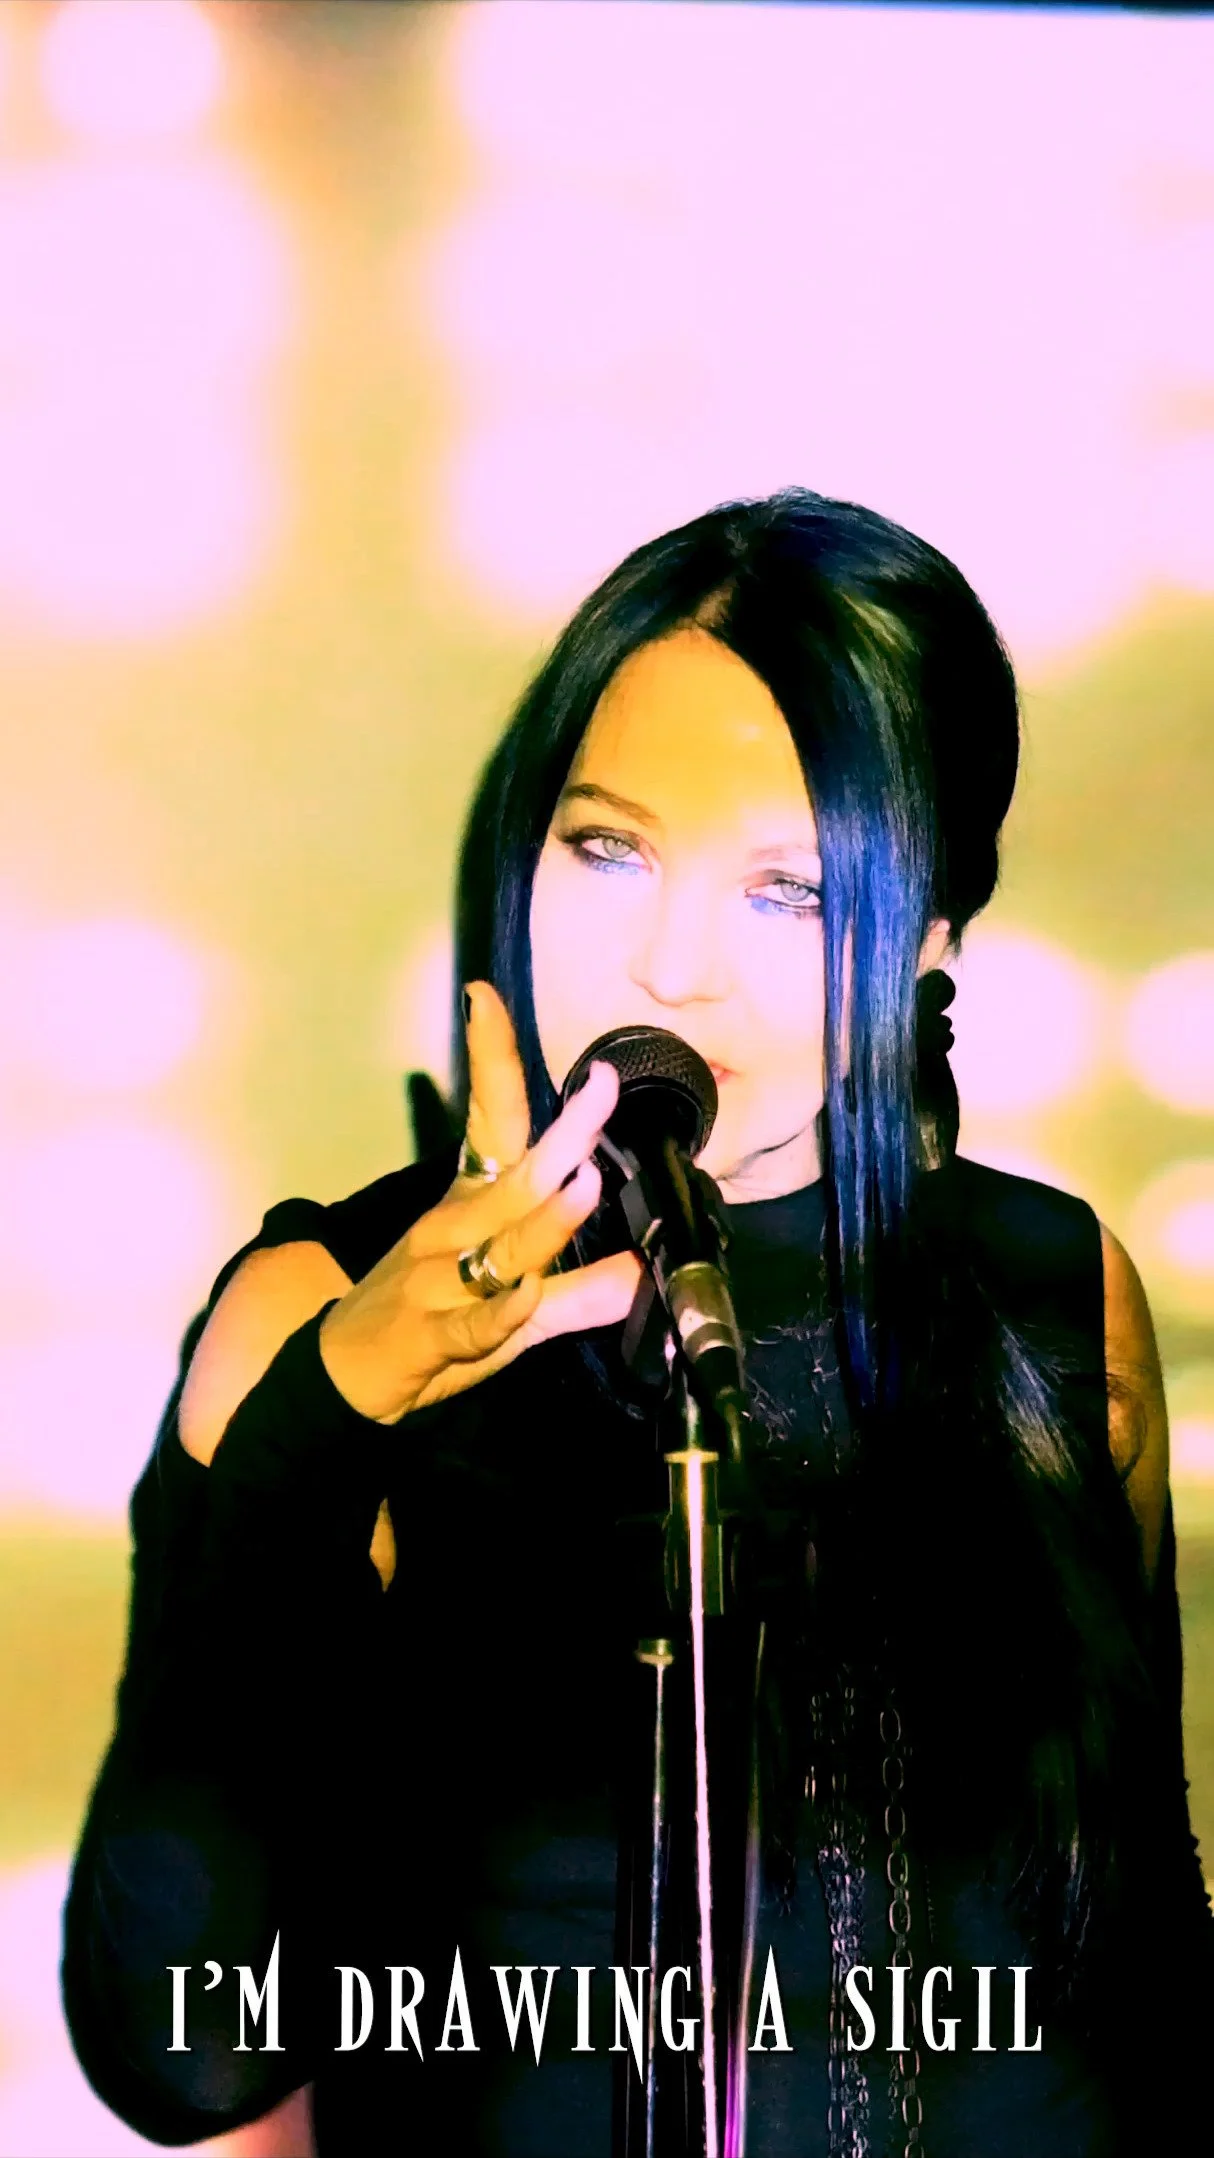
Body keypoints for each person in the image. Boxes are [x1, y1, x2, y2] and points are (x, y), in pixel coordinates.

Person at [63, 491, 1213, 2157]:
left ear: (928, 936)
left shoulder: (1049, 1287)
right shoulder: (323, 1312)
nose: (670, 965)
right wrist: (330, 1417)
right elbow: (178, 2051)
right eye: (608, 849)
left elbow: (1141, 1958)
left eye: (789, 891)